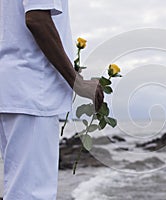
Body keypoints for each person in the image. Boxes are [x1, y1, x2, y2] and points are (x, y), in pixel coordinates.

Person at [0, 0, 103, 199]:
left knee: (18, 188)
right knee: (31, 194)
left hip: (13, 89)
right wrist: (77, 82)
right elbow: (37, 19)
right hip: (32, 91)